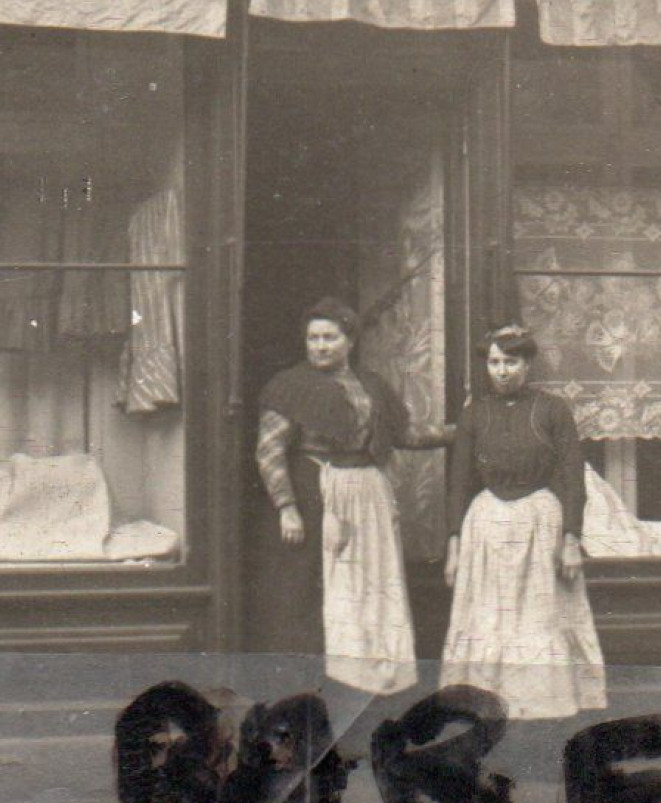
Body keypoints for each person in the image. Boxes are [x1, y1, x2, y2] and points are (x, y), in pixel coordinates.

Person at [252, 296, 450, 692]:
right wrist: (287, 507)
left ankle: (365, 678)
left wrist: (459, 431)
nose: (320, 346)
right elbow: (269, 451)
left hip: (368, 496)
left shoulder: (371, 385)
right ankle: (314, 684)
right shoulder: (289, 387)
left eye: (329, 337)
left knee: (370, 585)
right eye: (313, 338)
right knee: (315, 588)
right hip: (317, 496)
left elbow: (404, 435)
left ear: (350, 341)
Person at [442, 324, 606, 718]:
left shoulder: (552, 410)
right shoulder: (474, 414)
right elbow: (459, 482)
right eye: (494, 363)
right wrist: (453, 545)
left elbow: (572, 477)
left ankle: (538, 703)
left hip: (538, 524)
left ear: (528, 364)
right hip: (487, 526)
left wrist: (570, 539)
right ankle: (485, 700)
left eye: (510, 362)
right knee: (489, 616)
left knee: (539, 615)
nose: (501, 371)